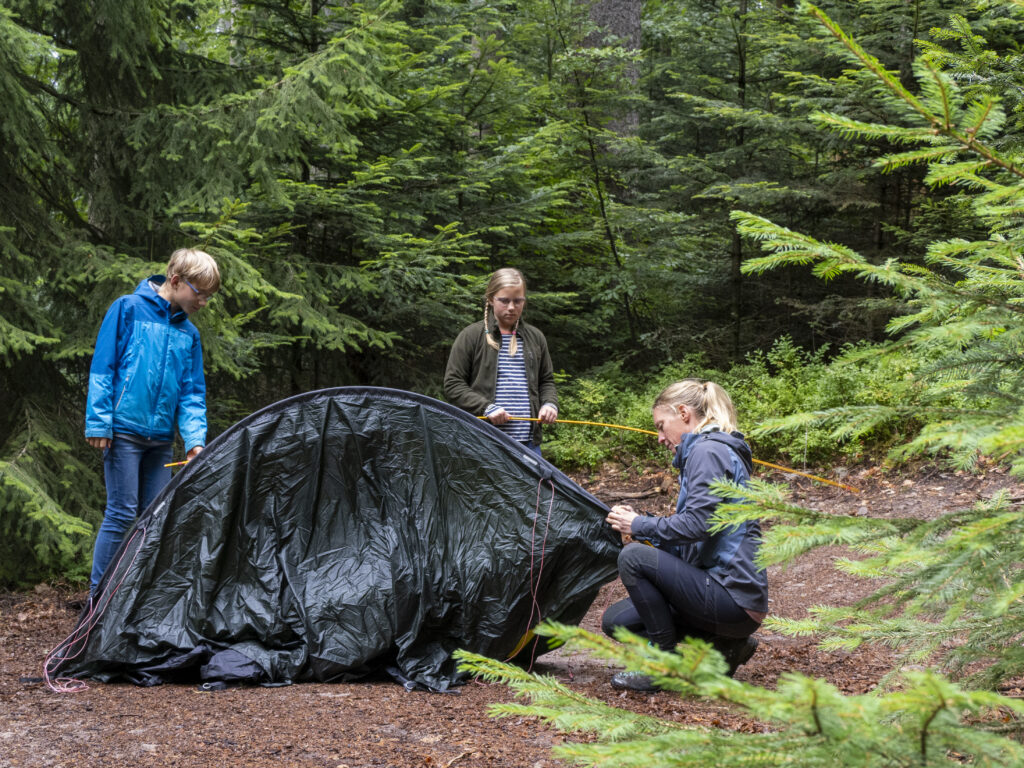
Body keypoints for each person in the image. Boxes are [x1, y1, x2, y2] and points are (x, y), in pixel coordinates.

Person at [602, 379, 767, 690]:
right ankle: (728, 646)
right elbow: (695, 537)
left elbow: (696, 525)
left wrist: (638, 526)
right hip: (727, 594)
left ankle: (661, 665)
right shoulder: (707, 451)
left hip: (733, 594)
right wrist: (645, 527)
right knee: (618, 622)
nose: (660, 437)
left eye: (662, 426)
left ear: (684, 413)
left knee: (633, 558)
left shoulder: (708, 451)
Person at [84, 248, 220, 596]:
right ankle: (98, 601)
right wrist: (99, 422)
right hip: (124, 434)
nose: (203, 302)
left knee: (154, 517)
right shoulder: (128, 308)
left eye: (208, 296)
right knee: (121, 512)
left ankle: (135, 599)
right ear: (176, 281)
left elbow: (191, 393)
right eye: (199, 293)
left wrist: (194, 441)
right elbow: (104, 367)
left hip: (160, 441)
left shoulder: (189, 334)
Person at [444, 268, 558, 454]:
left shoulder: (535, 338)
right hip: (484, 442)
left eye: (518, 301)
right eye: (504, 301)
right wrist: (486, 407)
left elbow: (546, 381)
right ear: (490, 299)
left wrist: (549, 404)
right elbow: (453, 384)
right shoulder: (471, 336)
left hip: (528, 444)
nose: (511, 307)